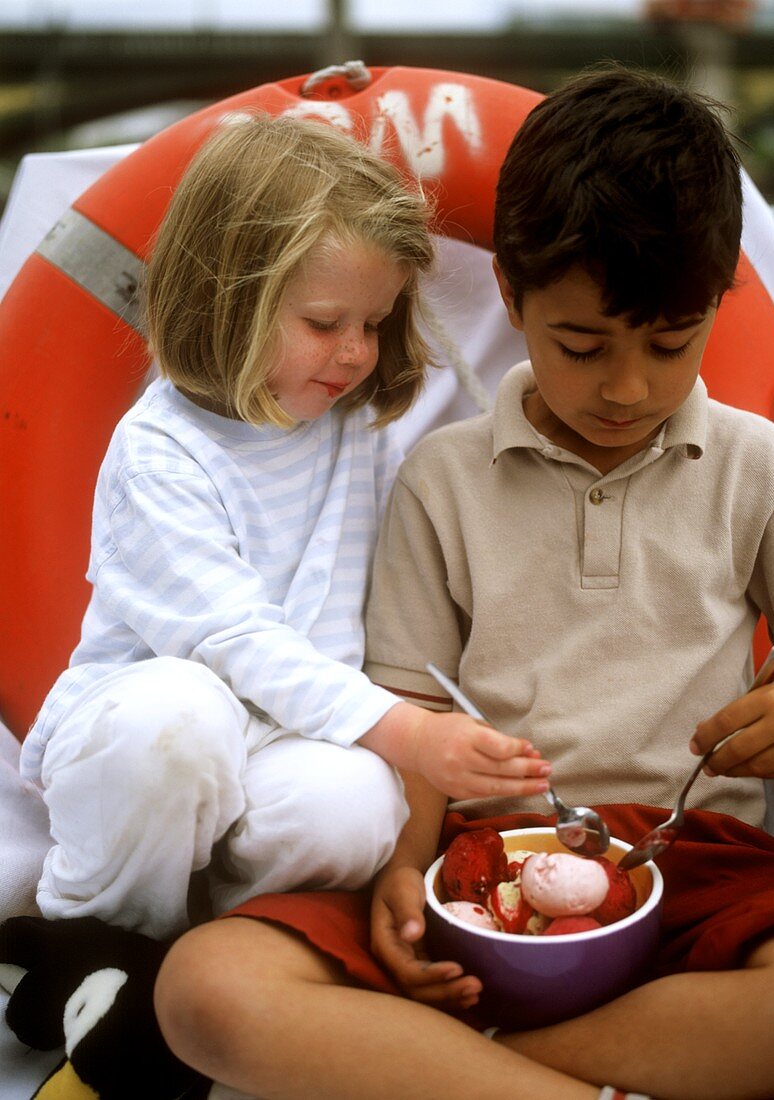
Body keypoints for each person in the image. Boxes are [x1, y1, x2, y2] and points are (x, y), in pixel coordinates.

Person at [154, 68, 774, 1099]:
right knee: (206, 984)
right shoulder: (442, 478)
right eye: (580, 344)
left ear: (718, 302)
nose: (626, 386)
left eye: (669, 343)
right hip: (474, 863)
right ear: (509, 294)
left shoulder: (766, 470)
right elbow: (411, 711)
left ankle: (459, 1077)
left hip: (695, 859)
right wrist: (398, 875)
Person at [20, 114, 551, 943]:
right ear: (230, 300)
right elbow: (231, 638)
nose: (354, 354)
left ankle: (228, 946)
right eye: (324, 323)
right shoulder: (159, 451)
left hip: (282, 735)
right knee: (182, 720)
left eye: (373, 325)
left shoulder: (349, 428)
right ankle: (96, 940)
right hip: (146, 729)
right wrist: (412, 734)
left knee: (357, 806)